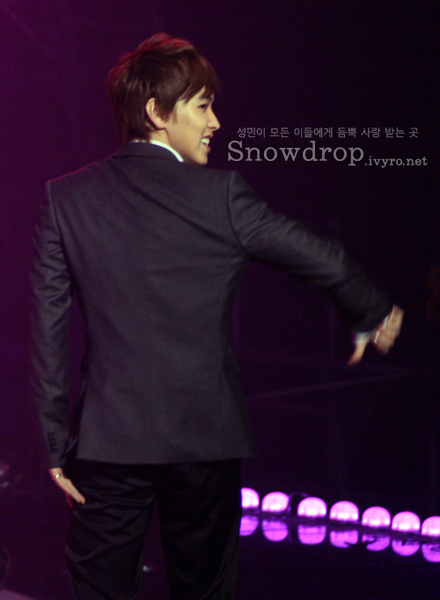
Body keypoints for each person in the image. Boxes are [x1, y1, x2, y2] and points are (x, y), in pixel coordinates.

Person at [30, 33, 403, 600]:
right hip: (205, 438)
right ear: (157, 112)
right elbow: (313, 253)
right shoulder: (222, 195)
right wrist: (369, 309)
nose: (216, 122)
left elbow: (48, 333)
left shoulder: (66, 198)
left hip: (106, 443)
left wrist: (55, 444)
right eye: (203, 105)